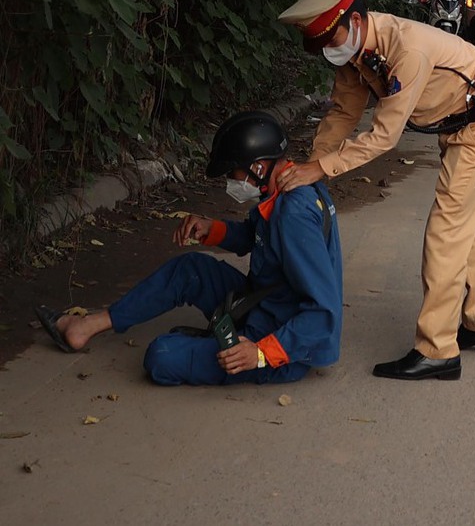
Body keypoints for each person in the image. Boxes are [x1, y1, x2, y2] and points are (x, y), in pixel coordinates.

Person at [275, 0, 475, 382]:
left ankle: (438, 350)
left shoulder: (407, 48)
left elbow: (384, 136)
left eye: (329, 41)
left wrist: (322, 169)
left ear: (352, 23)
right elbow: (344, 113)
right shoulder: (355, 55)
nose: (328, 52)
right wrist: (311, 168)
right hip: (457, 126)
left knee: (446, 232)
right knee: (466, 225)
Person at [34, 111, 343, 386]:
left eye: (232, 173)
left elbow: (323, 311)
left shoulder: (294, 215)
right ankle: (87, 325)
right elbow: (259, 239)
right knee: (190, 269)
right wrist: (213, 230)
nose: (230, 182)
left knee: (162, 356)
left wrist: (260, 353)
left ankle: (244, 350)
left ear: (259, 167)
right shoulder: (287, 188)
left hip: (285, 348)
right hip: (264, 304)